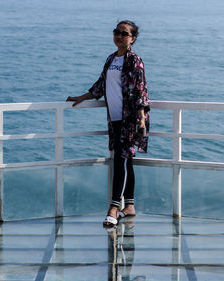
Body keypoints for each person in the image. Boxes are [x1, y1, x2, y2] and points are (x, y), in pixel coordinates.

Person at [66, 20, 150, 227]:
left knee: (120, 160)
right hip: (115, 118)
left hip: (130, 119)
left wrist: (140, 118)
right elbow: (102, 84)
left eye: (124, 33)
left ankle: (113, 208)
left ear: (133, 39)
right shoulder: (111, 59)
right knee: (127, 160)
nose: (119, 36)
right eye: (116, 32)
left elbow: (141, 90)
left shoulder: (134, 61)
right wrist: (83, 97)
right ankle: (129, 205)